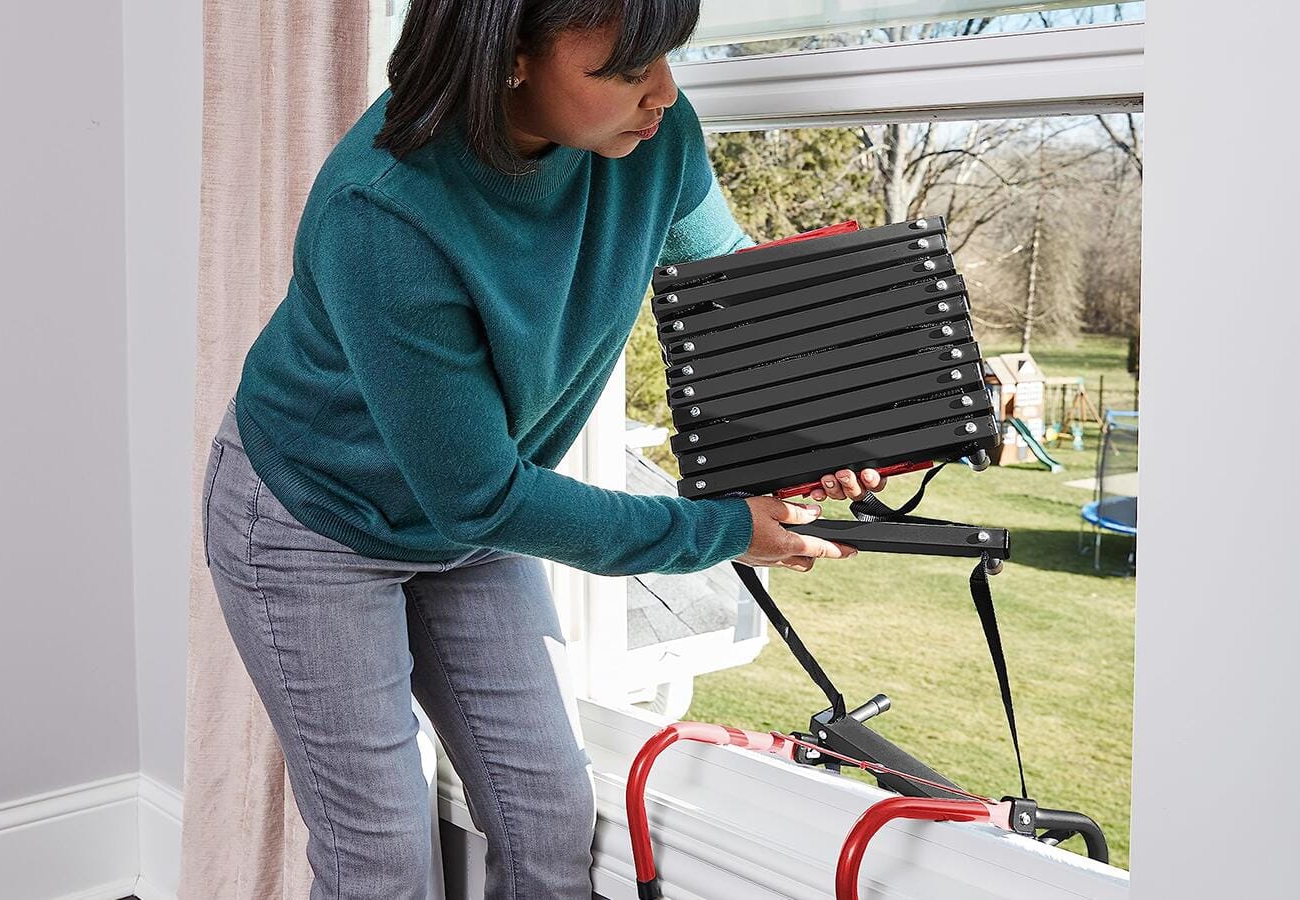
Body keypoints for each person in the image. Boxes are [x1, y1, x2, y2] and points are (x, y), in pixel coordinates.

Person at [199, 1, 888, 897]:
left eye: (667, 58)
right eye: (630, 70)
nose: (666, 94)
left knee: (550, 817)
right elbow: (480, 496)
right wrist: (724, 530)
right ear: (512, 56)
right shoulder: (386, 209)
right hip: (314, 521)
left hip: (472, 508)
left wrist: (833, 422)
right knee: (382, 863)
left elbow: (737, 306)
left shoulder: (656, 142)